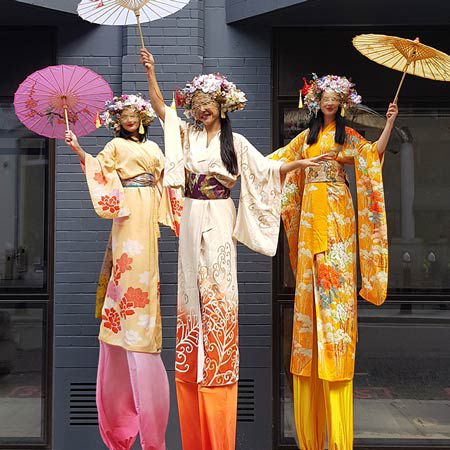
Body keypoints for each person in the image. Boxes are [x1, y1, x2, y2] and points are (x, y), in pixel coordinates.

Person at [140, 48, 308, 450]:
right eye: (197, 105)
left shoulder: (236, 142)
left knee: (217, 285)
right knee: (189, 287)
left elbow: (266, 170)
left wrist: (298, 165)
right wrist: (151, 73)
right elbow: (164, 112)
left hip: (218, 213)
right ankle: (191, 357)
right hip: (193, 211)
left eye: (208, 105)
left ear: (222, 107)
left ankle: (214, 358)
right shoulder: (188, 135)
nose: (201, 110)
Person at [269, 74, 398, 450]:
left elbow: (372, 157)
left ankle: (338, 438)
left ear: (341, 104)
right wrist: (301, 167)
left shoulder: (347, 139)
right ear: (315, 102)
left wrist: (389, 122)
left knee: (335, 304)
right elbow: (274, 164)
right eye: (323, 97)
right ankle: (311, 438)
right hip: (311, 220)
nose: (328, 103)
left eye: (334, 98)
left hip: (338, 218)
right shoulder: (304, 141)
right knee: (309, 304)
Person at [64, 93, 181, 450]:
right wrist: (77, 149)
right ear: (119, 120)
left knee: (148, 265)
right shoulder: (114, 145)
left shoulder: (156, 150)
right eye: (125, 115)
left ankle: (140, 311)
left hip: (150, 206)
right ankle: (128, 311)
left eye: (134, 114)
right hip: (128, 209)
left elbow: (169, 176)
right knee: (128, 262)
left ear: (142, 117)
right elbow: (99, 171)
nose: (130, 119)